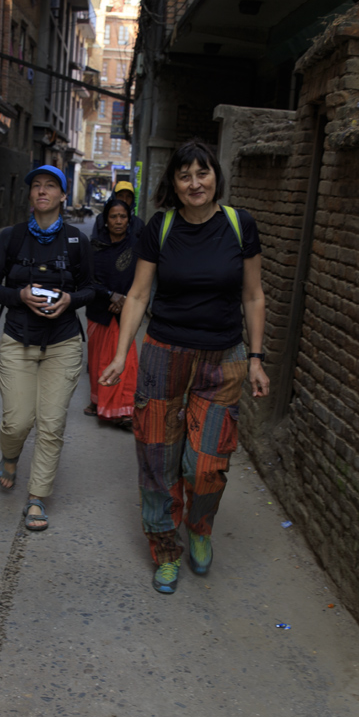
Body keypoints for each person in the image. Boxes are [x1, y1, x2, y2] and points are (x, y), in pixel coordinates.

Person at [98, 139, 269, 594]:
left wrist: (256, 357)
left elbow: (253, 296)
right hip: (162, 358)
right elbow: (138, 294)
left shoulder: (239, 225)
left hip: (223, 360)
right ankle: (164, 550)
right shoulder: (161, 226)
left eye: (203, 173)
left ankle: (199, 527)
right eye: (185, 175)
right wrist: (120, 354)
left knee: (206, 465)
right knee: (158, 459)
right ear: (173, 184)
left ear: (216, 176)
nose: (196, 183)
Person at [0, 164, 97, 532]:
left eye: (51, 186)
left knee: (51, 424)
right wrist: (19, 295)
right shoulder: (12, 238)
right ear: (30, 195)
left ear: (64, 196)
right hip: (18, 338)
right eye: (36, 186)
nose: (42, 191)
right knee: (17, 422)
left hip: (63, 343)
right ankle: (10, 455)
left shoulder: (78, 242)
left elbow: (92, 289)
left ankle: (36, 498)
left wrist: (69, 300)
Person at [83, 196, 140, 427]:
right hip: (99, 308)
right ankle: (98, 401)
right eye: (113, 216)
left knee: (126, 359)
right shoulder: (94, 247)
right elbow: (86, 279)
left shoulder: (136, 246)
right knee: (99, 359)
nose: (118, 221)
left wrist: (125, 298)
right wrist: (109, 295)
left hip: (127, 309)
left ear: (129, 219)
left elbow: (141, 278)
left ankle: (124, 410)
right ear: (106, 220)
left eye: (123, 216)